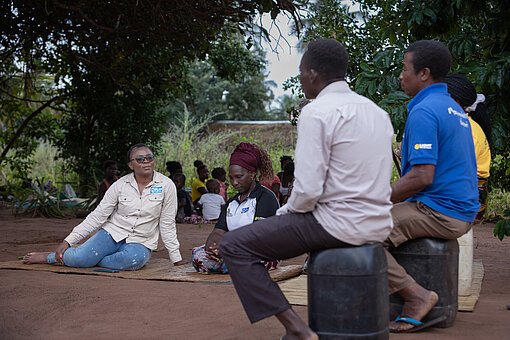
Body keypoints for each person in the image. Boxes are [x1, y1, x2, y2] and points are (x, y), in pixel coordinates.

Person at [218, 39, 394, 340]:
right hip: (378, 222)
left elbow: (308, 191)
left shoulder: (317, 111)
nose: (300, 78)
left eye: (300, 71)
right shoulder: (376, 112)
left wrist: (283, 215)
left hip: (336, 224)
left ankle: (297, 329)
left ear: (313, 73)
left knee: (234, 245)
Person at [386, 41, 479, 332]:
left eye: (404, 69)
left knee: (356, 229)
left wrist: (373, 198)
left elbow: (422, 177)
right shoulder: (452, 107)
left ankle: (416, 296)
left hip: (439, 211)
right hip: (457, 209)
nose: (401, 76)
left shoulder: (424, 111)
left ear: (424, 73)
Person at [23, 143, 188, 270]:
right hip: (112, 233)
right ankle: (51, 257)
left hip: (141, 241)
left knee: (133, 261)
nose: (146, 161)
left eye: (149, 157)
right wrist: (68, 242)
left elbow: (167, 223)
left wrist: (176, 258)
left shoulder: (167, 185)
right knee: (80, 259)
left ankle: (90, 257)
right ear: (131, 165)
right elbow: (98, 216)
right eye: (140, 159)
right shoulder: (120, 185)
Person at [191, 142, 280, 274]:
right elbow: (218, 232)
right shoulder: (231, 203)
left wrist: (229, 249)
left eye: (239, 177)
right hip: (232, 251)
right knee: (198, 255)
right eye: (231, 178)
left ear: (252, 174)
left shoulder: (266, 197)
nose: (234, 183)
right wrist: (212, 248)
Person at [445, 74, 492, 222]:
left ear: (456, 102)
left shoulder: (465, 128)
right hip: (469, 194)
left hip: (464, 198)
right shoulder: (466, 124)